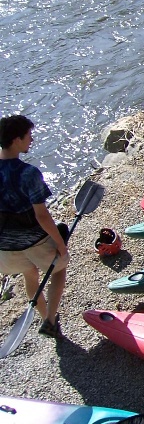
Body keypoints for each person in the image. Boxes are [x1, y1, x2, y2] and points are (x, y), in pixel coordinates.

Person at [0, 115, 68, 338]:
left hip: (5, 249)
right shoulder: (28, 173)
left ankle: (44, 317)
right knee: (59, 268)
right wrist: (60, 244)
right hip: (33, 241)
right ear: (16, 139)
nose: (32, 139)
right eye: (28, 135)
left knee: (30, 275)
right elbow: (42, 216)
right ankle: (50, 319)